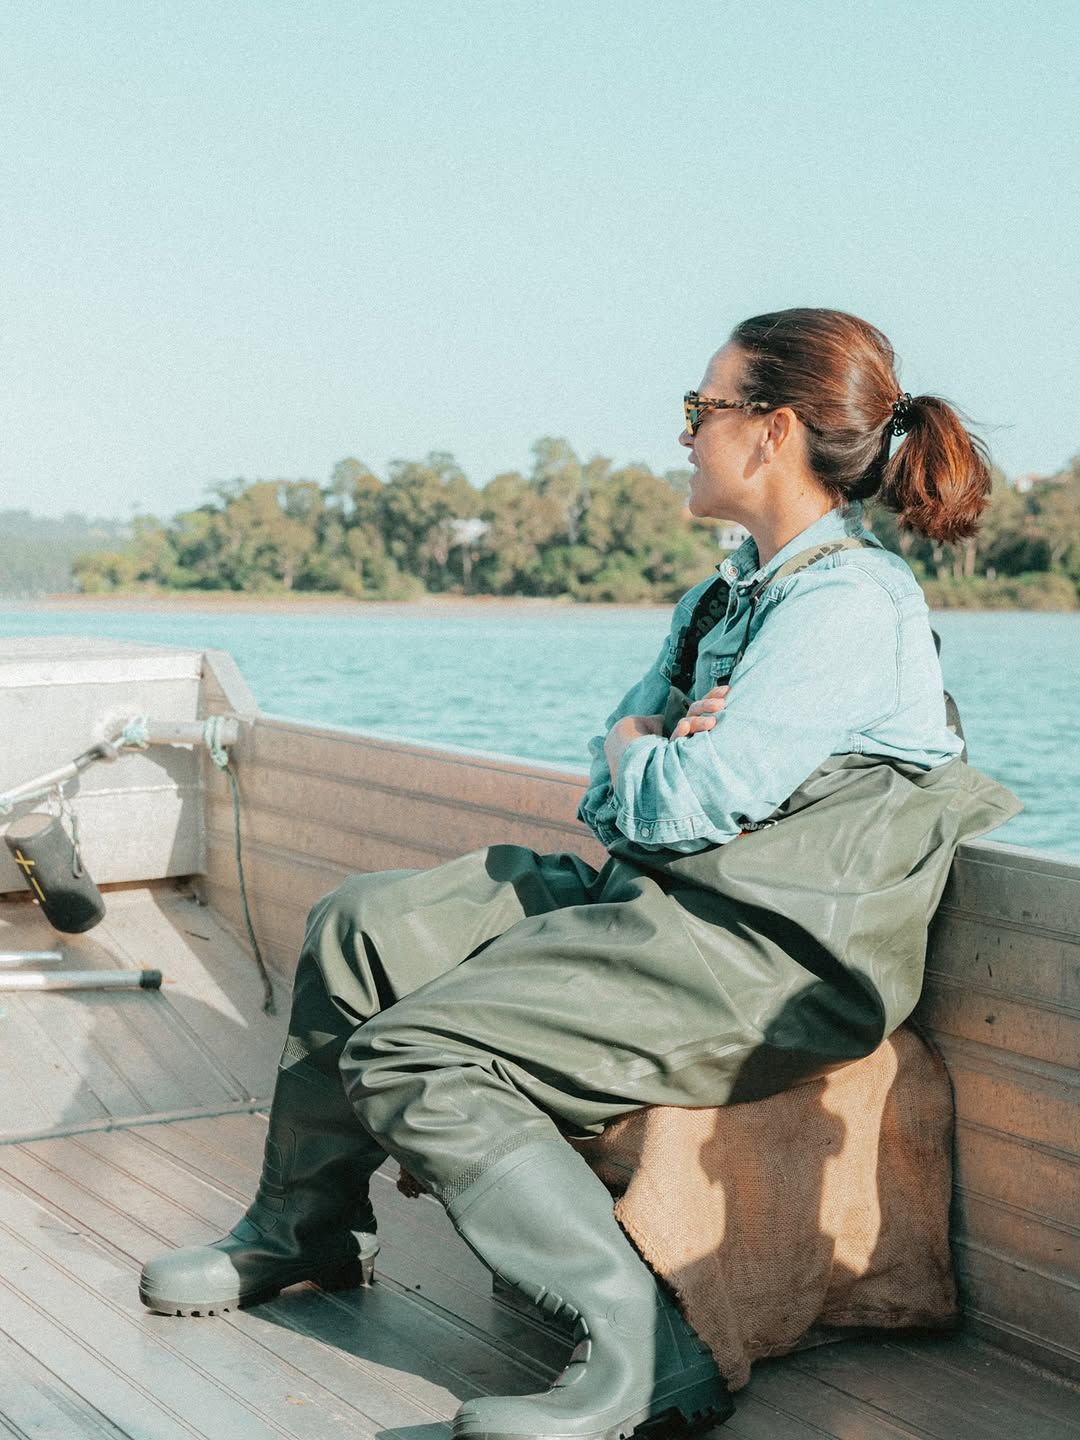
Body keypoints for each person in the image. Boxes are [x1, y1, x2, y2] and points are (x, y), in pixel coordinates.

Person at [139, 308, 1020, 1440]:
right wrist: (645, 750)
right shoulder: (730, 593)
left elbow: (676, 797)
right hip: (672, 900)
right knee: (361, 924)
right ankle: (302, 1224)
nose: (687, 433)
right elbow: (618, 784)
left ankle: (651, 1352)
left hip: (772, 959)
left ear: (773, 432)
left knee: (416, 1050)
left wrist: (649, 755)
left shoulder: (851, 606)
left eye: (703, 409)